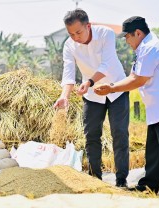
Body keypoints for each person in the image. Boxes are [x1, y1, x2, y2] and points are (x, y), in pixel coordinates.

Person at [94, 16, 159, 195]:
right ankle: (149, 186)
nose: (126, 40)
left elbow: (138, 80)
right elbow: (133, 76)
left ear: (138, 33)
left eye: (127, 36)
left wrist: (111, 88)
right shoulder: (144, 49)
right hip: (158, 109)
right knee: (154, 152)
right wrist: (112, 86)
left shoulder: (150, 48)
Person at [53, 9, 130, 187]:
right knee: (91, 135)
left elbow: (108, 63)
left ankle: (121, 181)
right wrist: (64, 96)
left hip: (116, 89)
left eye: (78, 32)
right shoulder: (69, 45)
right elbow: (69, 74)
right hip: (92, 96)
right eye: (71, 34)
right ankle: (95, 180)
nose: (75, 37)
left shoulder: (106, 34)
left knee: (119, 134)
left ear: (88, 26)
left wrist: (89, 81)